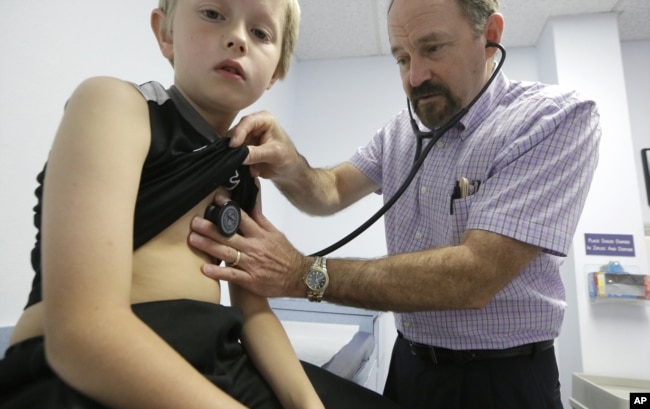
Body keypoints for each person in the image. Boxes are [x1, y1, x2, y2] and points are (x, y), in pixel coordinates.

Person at [187, 0, 602, 408]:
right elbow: (330, 190)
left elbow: (476, 276)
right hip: (411, 366)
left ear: (489, 36)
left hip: (502, 380)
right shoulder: (402, 132)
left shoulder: (554, 119)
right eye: (402, 58)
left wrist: (301, 274)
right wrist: (291, 164)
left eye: (433, 48)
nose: (415, 76)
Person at [0, 1, 401, 408]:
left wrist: (307, 404)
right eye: (213, 13)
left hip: (216, 356)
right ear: (165, 33)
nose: (237, 38)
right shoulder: (115, 105)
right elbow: (82, 333)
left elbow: (253, 312)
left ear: (275, 73)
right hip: (90, 366)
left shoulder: (242, 172)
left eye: (261, 34)